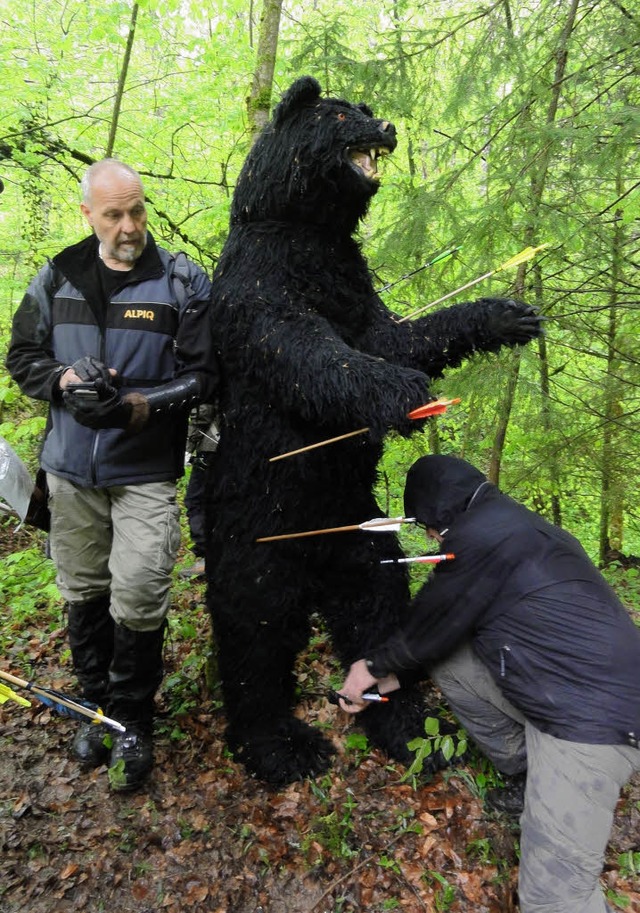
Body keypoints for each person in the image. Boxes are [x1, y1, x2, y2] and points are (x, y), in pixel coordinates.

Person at [337, 454, 640, 913]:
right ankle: (526, 772)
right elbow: (446, 635)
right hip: (569, 687)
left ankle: (556, 785)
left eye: (426, 525)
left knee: (554, 896)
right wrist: (395, 676)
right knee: (455, 660)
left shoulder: (481, 538)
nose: (428, 537)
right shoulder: (514, 525)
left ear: (438, 509)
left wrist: (370, 668)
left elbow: (428, 622)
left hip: (589, 721)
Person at [6, 158, 218, 791]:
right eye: (114, 214)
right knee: (82, 591)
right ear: (88, 214)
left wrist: (139, 406)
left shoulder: (180, 281)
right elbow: (21, 356)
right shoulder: (58, 276)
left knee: (141, 589)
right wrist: (65, 381)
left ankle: (133, 722)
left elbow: (207, 376)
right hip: (69, 470)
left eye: (137, 210)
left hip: (144, 472)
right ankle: (97, 711)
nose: (129, 226)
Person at [179, 403, 219, 580]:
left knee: (197, 500)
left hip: (213, 443)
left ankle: (207, 559)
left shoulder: (216, 375)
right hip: (244, 442)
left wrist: (188, 446)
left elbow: (203, 410)